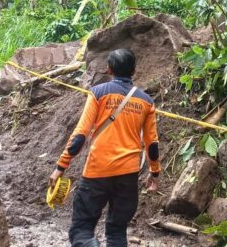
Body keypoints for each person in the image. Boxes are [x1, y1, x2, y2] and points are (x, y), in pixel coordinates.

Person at [48, 49, 161, 247]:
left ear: (109, 69)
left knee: (81, 229)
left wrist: (60, 167)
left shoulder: (98, 93)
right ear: (133, 70)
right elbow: (151, 143)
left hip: (97, 172)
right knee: (117, 232)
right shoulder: (146, 101)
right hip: (128, 174)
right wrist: (155, 172)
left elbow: (80, 135)